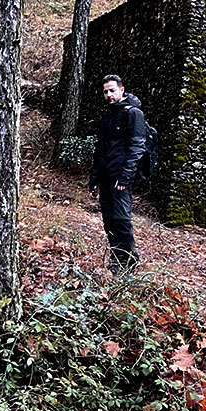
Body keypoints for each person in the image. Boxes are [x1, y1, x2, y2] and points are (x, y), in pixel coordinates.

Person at [87, 74, 146, 272]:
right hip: (106, 178)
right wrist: (94, 178)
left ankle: (128, 263)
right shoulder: (107, 117)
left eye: (112, 90)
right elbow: (100, 149)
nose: (109, 95)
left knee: (121, 220)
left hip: (120, 179)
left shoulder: (133, 114)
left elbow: (137, 147)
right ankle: (116, 259)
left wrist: (126, 177)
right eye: (105, 92)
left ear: (121, 90)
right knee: (109, 220)